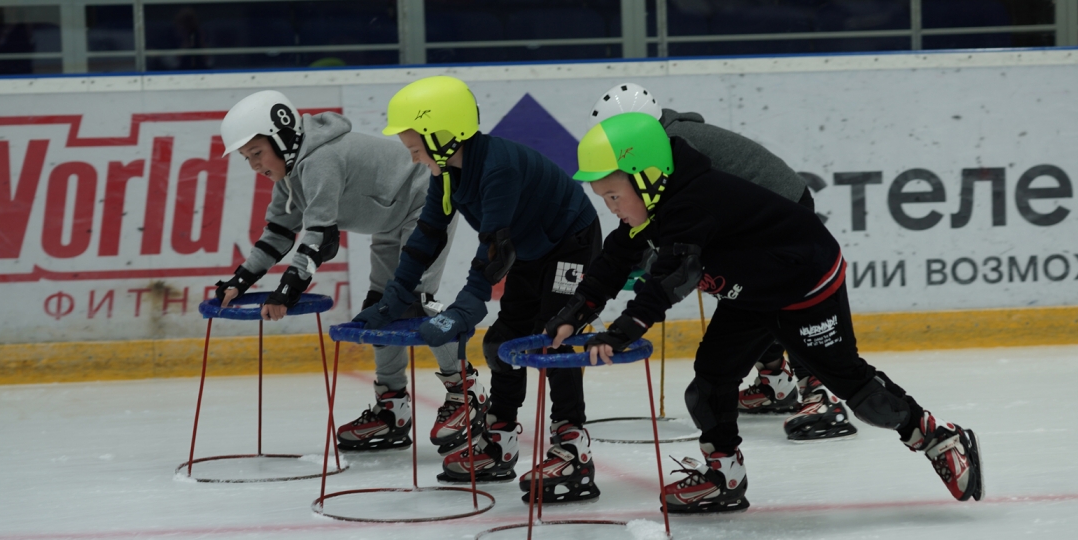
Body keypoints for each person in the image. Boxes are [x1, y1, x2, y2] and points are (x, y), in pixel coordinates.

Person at [548, 112, 984, 513]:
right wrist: (574, 311)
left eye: (612, 195)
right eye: (604, 198)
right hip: (752, 294)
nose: (612, 209)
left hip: (804, 286)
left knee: (859, 391)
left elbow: (674, 275)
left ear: (646, 177)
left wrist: (624, 329)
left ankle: (937, 438)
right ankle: (724, 478)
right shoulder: (651, 207)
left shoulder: (690, 201)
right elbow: (613, 261)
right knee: (708, 384)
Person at [358, 76, 603, 504]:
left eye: (414, 146)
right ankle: (501, 435)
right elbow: (426, 239)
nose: (412, 157)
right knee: (502, 342)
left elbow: (494, 251)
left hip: (571, 242)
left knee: (555, 338)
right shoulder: (448, 174)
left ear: (441, 134)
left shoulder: (498, 167)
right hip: (529, 249)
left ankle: (572, 444)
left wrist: (467, 304)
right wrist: (392, 299)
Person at [215, 90, 486, 453]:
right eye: (248, 158)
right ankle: (392, 408)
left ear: (281, 140)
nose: (254, 166)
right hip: (391, 222)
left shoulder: (320, 160)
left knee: (413, 303)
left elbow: (319, 239)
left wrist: (287, 290)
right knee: (381, 305)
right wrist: (241, 279)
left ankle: (465, 392)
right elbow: (279, 232)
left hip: (424, 203)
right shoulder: (291, 173)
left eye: (257, 154)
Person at [589, 82, 855, 442]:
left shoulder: (669, 148)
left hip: (781, 211)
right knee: (746, 296)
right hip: (769, 205)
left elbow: (685, 216)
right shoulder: (662, 145)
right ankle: (774, 381)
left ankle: (820, 393)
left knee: (780, 296)